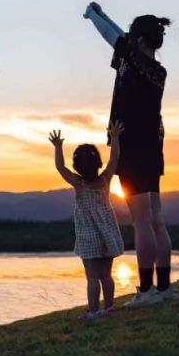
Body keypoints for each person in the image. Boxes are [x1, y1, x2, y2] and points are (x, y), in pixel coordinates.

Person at [83, 1, 179, 305]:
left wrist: (92, 14)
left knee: (141, 222)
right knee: (156, 220)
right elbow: (120, 36)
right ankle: (164, 289)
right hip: (153, 148)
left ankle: (146, 291)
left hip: (131, 148)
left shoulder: (131, 60)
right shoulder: (158, 71)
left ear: (138, 40)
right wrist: (103, 15)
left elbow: (110, 35)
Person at [49, 121, 125, 319]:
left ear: (78, 167)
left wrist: (58, 147)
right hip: (107, 233)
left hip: (88, 237)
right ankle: (108, 308)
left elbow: (60, 167)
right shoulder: (106, 179)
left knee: (92, 277)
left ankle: (93, 311)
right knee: (106, 275)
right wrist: (114, 137)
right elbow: (114, 158)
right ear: (98, 163)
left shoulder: (78, 184)